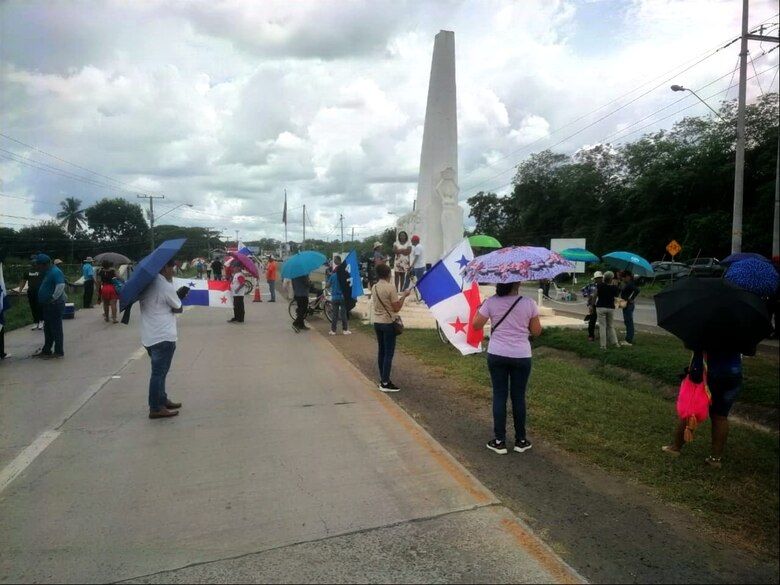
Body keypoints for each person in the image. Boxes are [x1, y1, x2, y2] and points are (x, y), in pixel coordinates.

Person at [472, 282, 542, 455]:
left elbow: (476, 325)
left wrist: (480, 307)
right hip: (521, 355)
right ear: (517, 283)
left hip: (497, 354)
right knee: (518, 397)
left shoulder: (491, 302)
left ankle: (499, 441)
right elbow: (536, 331)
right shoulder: (528, 303)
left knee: (499, 395)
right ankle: (521, 440)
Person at [662, 349, 743, 468]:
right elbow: (750, 350)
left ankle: (675, 447)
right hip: (732, 372)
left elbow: (690, 344)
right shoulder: (741, 331)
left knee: (691, 410)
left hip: (705, 371)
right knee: (720, 416)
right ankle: (715, 459)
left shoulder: (704, 330)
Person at [138, 259, 188, 419]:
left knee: (160, 371)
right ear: (164, 267)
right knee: (159, 373)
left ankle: (162, 399)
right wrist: (180, 296)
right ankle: (156, 407)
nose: (173, 270)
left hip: (150, 335)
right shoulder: (164, 286)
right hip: (163, 335)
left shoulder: (146, 283)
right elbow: (178, 308)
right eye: (171, 267)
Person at [372, 263, 411, 391]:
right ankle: (385, 382)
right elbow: (396, 307)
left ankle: (382, 378)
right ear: (389, 274)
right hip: (388, 322)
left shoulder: (374, 287)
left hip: (377, 321)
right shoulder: (390, 288)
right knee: (389, 353)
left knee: (381, 351)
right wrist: (404, 296)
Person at [32, 254, 66, 359]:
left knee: (56, 329)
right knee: (48, 329)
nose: (36, 266)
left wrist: (53, 297)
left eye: (37, 264)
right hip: (48, 305)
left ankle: (59, 351)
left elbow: (60, 285)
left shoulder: (56, 272)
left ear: (44, 264)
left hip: (54, 304)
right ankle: (47, 350)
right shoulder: (48, 272)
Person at [593, 270, 620, 350]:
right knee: (610, 325)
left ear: (604, 278)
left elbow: (595, 296)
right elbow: (617, 297)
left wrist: (592, 305)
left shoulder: (599, 285)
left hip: (601, 307)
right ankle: (615, 342)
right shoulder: (614, 287)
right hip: (610, 308)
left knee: (602, 326)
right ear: (611, 279)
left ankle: (603, 345)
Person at [326, 256, 351, 336]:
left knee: (335, 315)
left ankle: (333, 331)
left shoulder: (332, 276)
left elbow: (328, 285)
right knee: (343, 314)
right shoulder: (344, 276)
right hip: (342, 297)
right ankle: (345, 330)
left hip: (334, 298)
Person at [18, 261, 43, 330]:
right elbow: (23, 281)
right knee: (33, 307)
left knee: (39, 306)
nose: (34, 265)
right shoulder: (28, 271)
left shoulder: (41, 271)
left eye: (35, 264)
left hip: (39, 291)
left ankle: (41, 321)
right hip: (31, 291)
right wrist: (20, 290)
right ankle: (35, 322)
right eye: (33, 264)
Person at [619, 271, 640, 346]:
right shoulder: (626, 284)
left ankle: (629, 340)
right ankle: (628, 337)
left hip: (628, 304)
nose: (623, 278)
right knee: (627, 321)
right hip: (624, 303)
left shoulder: (630, 284)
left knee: (629, 321)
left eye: (624, 277)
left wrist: (631, 298)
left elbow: (637, 290)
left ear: (628, 277)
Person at [582, 271, 603, 342]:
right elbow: (583, 290)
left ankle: (602, 335)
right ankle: (591, 335)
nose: (599, 279)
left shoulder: (604, 285)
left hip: (601, 305)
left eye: (600, 278)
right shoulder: (591, 285)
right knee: (592, 320)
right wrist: (588, 295)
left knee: (602, 321)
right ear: (595, 279)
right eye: (597, 278)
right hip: (593, 305)